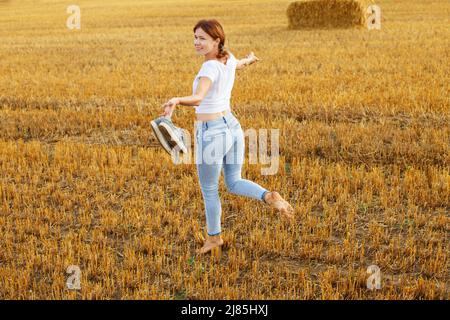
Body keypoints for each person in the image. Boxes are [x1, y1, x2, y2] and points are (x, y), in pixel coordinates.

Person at [160, 19, 294, 254]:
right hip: (232, 127)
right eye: (195, 37)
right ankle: (268, 196)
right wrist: (249, 60)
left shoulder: (208, 68)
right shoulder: (228, 58)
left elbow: (199, 98)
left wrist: (177, 100)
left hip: (212, 132)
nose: (197, 42)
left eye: (202, 38)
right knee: (233, 181)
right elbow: (238, 64)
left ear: (216, 40)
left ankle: (214, 239)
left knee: (210, 189)